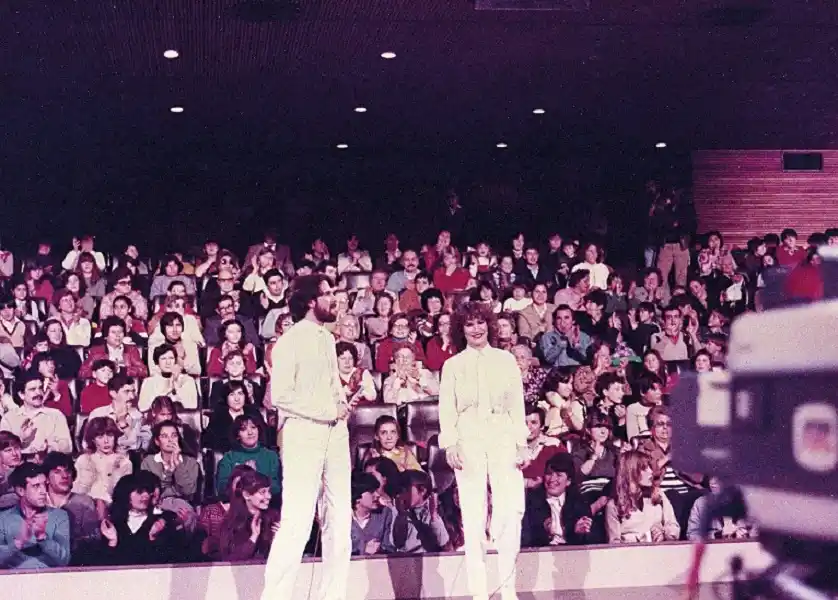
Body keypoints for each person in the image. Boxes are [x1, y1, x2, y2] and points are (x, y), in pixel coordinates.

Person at [261, 274, 354, 600]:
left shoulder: (327, 339)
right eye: (328, 294)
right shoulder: (289, 341)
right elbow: (281, 396)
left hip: (335, 435)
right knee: (297, 521)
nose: (335, 299)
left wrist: (341, 403)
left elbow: (331, 385)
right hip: (303, 433)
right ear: (311, 301)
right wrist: (327, 411)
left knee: (340, 521)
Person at [438, 302, 529, 600]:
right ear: (460, 329)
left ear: (488, 325)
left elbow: (517, 406)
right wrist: (450, 443)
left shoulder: (505, 361)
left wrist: (521, 444)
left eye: (480, 323)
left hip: (502, 435)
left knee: (508, 513)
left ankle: (507, 589)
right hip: (469, 437)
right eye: (469, 324)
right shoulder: (452, 366)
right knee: (473, 515)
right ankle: (478, 591)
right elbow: (447, 409)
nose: (475, 329)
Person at [0, 463, 71, 569]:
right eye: (36, 486)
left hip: (49, 580)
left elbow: (64, 560)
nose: (43, 491)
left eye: (44, 485)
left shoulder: (59, 516)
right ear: (21, 490)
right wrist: (18, 543)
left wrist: (42, 538)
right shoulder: (3, 519)